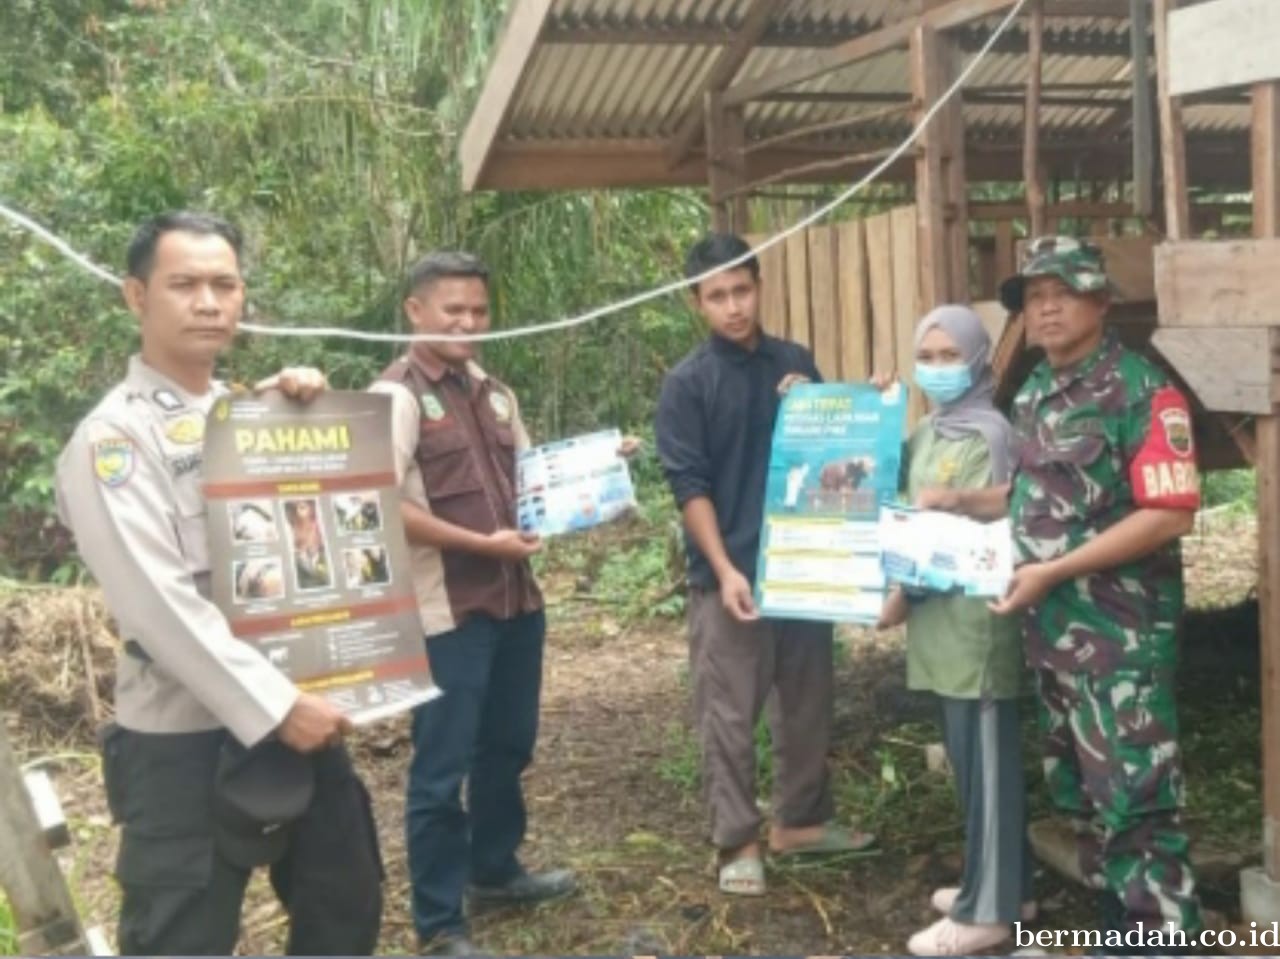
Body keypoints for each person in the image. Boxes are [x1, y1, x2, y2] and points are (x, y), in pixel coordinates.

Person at [55, 211, 383, 956]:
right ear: (137, 296)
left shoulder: (243, 415)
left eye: (224, 285)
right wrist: (277, 706)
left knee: (345, 904)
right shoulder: (113, 440)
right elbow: (156, 604)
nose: (208, 302)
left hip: (297, 705)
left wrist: (294, 416)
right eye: (184, 284)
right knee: (183, 937)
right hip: (187, 738)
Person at [932, 237, 1204, 945]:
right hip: (1052, 637)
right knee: (1081, 799)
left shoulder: (1142, 391)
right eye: (1034, 297)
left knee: (1138, 808)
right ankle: (1121, 928)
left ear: (1102, 301)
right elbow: (1033, 495)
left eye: (1064, 292)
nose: (1047, 308)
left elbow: (1170, 511)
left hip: (1120, 644)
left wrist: (1053, 571)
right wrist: (962, 500)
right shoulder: (1034, 393)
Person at [655, 233, 874, 898]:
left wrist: (854, 402)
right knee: (729, 711)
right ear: (697, 303)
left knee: (807, 701)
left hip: (803, 564)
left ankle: (800, 822)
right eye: (717, 296)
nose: (733, 307)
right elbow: (689, 486)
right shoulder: (687, 384)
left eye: (742, 290)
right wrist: (724, 569)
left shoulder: (794, 362)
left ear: (758, 286)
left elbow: (835, 450)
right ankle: (738, 841)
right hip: (731, 574)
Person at [369, 251, 575, 956]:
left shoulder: (494, 392)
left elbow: (534, 481)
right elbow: (380, 505)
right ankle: (439, 921)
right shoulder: (394, 398)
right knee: (441, 768)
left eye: (478, 310)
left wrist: (594, 472)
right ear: (415, 311)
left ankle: (494, 869)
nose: (467, 322)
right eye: (452, 309)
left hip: (516, 602)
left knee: (507, 745)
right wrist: (483, 545)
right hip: (446, 613)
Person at [875, 305, 1034, 955]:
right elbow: (891, 489)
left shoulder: (989, 434)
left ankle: (988, 912)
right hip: (941, 629)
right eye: (927, 357)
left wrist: (900, 595)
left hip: (976, 625)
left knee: (989, 770)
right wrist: (879, 414)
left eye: (950, 356)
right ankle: (1007, 886)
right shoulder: (930, 431)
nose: (937, 368)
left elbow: (957, 536)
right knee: (972, 768)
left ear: (977, 361)